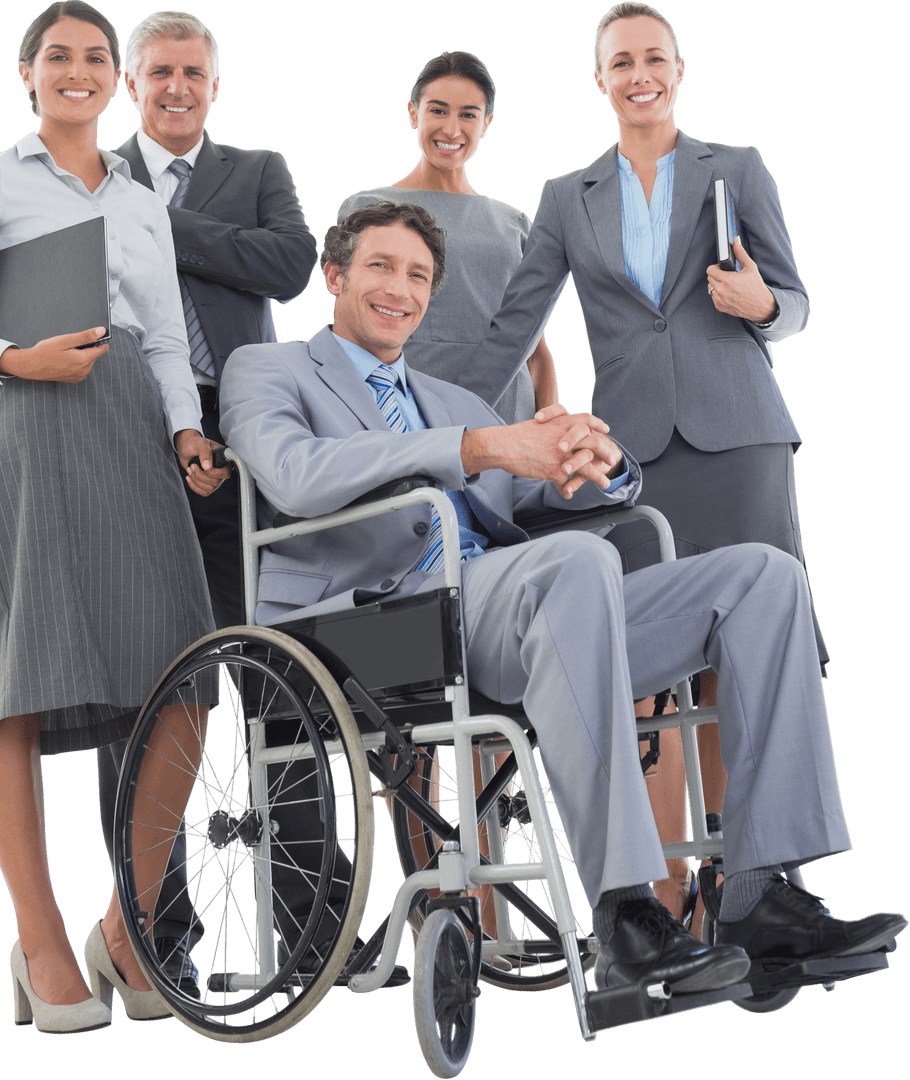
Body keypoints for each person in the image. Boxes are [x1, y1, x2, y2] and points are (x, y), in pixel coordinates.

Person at [218, 201, 905, 993]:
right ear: (336, 275)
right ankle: (624, 911)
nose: (399, 289)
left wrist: (598, 463)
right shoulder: (269, 369)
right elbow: (295, 474)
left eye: (417, 276)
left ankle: (762, 897)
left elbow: (530, 499)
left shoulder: (455, 401)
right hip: (375, 618)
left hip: (515, 610)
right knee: (575, 565)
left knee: (763, 577)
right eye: (380, 266)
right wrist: (483, 446)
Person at [461, 1, 828, 929]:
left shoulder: (735, 168)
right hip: (633, 461)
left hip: (739, 436)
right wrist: (421, 413)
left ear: (679, 67)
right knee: (650, 658)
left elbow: (796, 301)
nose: (639, 75)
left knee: (757, 637)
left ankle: (760, 888)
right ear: (598, 77)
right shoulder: (564, 197)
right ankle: (675, 902)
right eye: (621, 61)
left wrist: (758, 303)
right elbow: (515, 325)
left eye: (653, 58)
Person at [0, 2, 218, 1032]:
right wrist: (8, 359)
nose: (80, 71)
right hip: (27, 426)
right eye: (61, 56)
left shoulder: (140, 199)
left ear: (116, 80)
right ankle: (42, 944)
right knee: (18, 675)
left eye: (98, 57)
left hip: (133, 429)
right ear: (27, 74)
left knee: (184, 673)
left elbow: (174, 338)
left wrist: (187, 433)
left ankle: (128, 929)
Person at [95, 7, 317, 999]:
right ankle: (158, 929)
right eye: (159, 74)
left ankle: (305, 922)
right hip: (129, 442)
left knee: (275, 670)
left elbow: (291, 266)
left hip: (245, 443)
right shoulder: (85, 172)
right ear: (131, 84)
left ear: (212, 84)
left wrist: (154, 226)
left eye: (192, 72)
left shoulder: (258, 168)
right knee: (139, 692)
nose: (176, 88)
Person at [336, 50, 556, 424]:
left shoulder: (514, 222)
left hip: (506, 412)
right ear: (413, 113)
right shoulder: (368, 206)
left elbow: (534, 348)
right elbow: (352, 329)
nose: (452, 130)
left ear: (486, 123)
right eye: (438, 110)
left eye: (468, 114)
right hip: (409, 407)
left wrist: (550, 423)